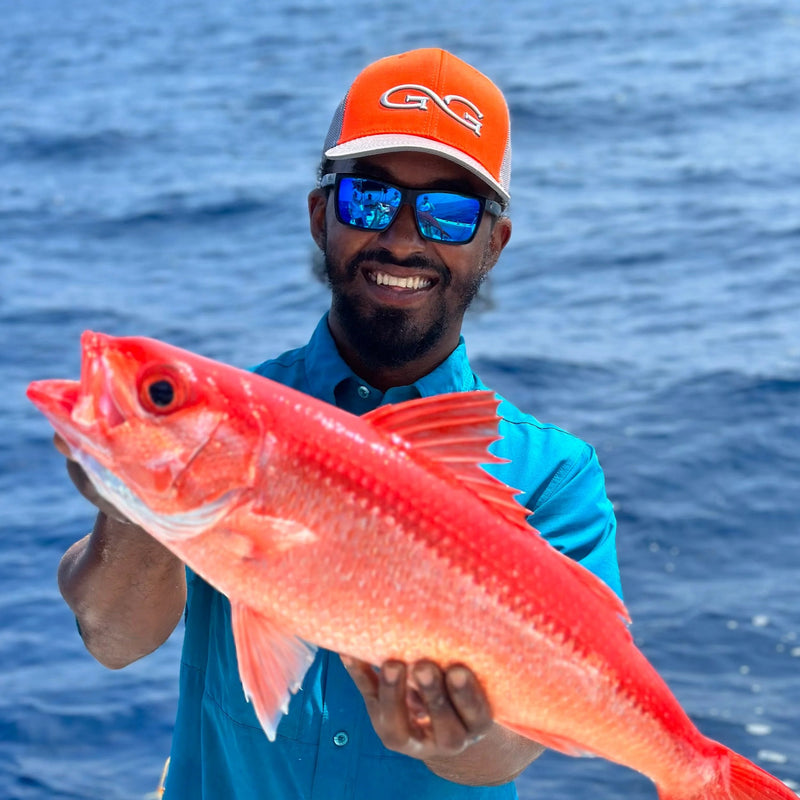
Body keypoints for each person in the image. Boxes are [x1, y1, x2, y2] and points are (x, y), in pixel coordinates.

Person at [55, 48, 622, 799]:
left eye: (450, 212)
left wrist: (464, 735)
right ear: (322, 213)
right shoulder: (223, 420)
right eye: (370, 199)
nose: (402, 239)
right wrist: (133, 485)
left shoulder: (553, 474)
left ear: (494, 244)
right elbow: (114, 638)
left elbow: (515, 750)